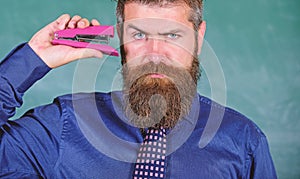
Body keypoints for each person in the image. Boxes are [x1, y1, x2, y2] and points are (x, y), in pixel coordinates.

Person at [0, 0, 277, 178]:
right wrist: (33, 58)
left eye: (172, 35)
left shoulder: (243, 143)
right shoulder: (63, 126)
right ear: (120, 37)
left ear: (198, 37)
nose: (155, 53)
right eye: (139, 34)